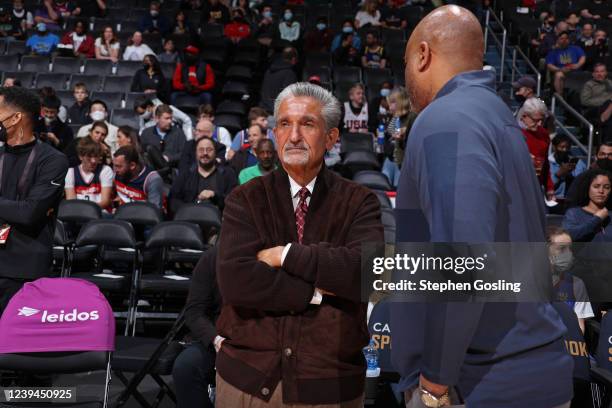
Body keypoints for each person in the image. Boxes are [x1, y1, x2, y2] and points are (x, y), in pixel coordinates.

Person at [394, 6, 573, 408]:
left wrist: (434, 385)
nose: (405, 75)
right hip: (526, 370)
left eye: (406, 62)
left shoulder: (446, 118)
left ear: (423, 55)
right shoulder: (499, 116)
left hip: (479, 383)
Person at [215, 82, 383, 406]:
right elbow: (237, 280)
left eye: (307, 124)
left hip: (330, 386)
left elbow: (368, 274)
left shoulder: (360, 201)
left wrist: (285, 255)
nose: (293, 136)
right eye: (284, 124)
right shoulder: (244, 199)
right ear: (274, 133)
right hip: (247, 383)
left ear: (332, 138)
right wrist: (317, 292)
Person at [0, 86, 68, 313]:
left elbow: (29, 213)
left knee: (11, 346)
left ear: (15, 117)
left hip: (23, 267)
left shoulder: (53, 161)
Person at [172, 247, 221, 408]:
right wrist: (215, 339)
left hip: (259, 339)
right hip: (216, 337)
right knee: (186, 366)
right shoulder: (212, 258)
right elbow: (194, 312)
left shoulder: (272, 256)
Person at [547, 226, 595, 333]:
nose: (568, 254)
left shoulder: (576, 284)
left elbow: (579, 328)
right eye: (562, 248)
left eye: (570, 248)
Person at [170, 136, 237, 213]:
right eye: (201, 150)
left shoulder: (228, 174)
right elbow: (174, 200)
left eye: (209, 150)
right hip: (190, 219)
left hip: (220, 220)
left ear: (215, 153)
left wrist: (215, 196)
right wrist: (189, 210)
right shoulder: (186, 174)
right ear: (196, 153)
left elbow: (234, 200)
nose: (205, 153)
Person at [518, 97, 556, 200]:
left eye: (542, 120)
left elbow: (545, 164)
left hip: (536, 185)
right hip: (517, 186)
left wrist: (549, 188)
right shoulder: (514, 133)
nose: (539, 124)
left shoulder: (543, 134)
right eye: (536, 120)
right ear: (524, 116)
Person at [64, 136, 113, 211]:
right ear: (81, 156)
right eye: (89, 157)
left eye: (96, 156)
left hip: (100, 215)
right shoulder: (70, 173)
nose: (93, 161)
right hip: (79, 215)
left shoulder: (105, 170)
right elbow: (71, 202)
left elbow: (105, 202)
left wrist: (86, 211)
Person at [563, 168, 612, 242]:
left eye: (606, 187)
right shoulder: (574, 213)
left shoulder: (610, 216)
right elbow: (568, 236)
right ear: (588, 187)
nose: (601, 191)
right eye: (596, 186)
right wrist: (597, 219)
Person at [113, 145, 164, 209]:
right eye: (114, 166)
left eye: (119, 166)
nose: (115, 170)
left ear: (132, 165)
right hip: (121, 214)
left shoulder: (152, 179)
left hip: (143, 217)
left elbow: (154, 212)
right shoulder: (117, 174)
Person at [140, 104, 186, 170]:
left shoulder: (178, 133)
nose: (170, 121)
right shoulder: (146, 133)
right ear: (156, 119)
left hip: (172, 170)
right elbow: (141, 154)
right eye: (166, 118)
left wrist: (169, 158)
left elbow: (184, 154)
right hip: (152, 171)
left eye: (171, 118)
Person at [546, 31, 586, 95]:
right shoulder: (553, 52)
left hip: (576, 72)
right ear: (558, 40)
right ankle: (560, 97)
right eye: (562, 38)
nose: (564, 40)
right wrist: (560, 69)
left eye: (566, 38)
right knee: (558, 75)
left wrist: (577, 65)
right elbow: (549, 65)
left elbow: (583, 57)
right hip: (563, 73)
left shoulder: (575, 48)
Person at [549, 134, 588, 200]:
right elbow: (544, 187)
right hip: (554, 199)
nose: (565, 150)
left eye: (567, 147)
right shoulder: (548, 163)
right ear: (554, 147)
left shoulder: (577, 162)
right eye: (562, 147)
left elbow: (583, 183)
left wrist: (571, 174)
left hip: (572, 200)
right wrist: (557, 175)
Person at [260, 47, 298, 113]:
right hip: (277, 112)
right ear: (293, 59)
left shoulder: (268, 71)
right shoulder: (289, 73)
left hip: (263, 109)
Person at [580, 63, 612, 142]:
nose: (599, 74)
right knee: (608, 103)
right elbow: (584, 101)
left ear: (606, 73)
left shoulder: (610, 83)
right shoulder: (589, 85)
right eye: (597, 72)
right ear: (593, 74)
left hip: (609, 111)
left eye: (602, 71)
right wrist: (606, 101)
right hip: (593, 110)